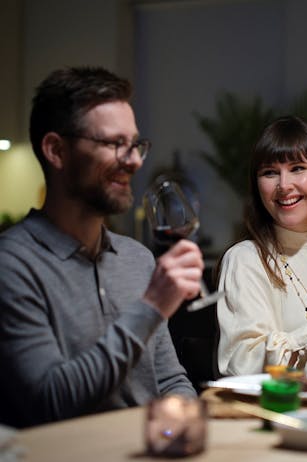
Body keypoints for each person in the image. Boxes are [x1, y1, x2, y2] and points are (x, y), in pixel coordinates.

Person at [0, 66, 204, 428]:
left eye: (136, 144)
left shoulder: (137, 258)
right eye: (114, 144)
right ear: (56, 150)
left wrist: (190, 432)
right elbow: (50, 401)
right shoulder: (12, 264)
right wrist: (152, 306)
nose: (135, 160)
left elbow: (170, 381)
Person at [217, 115, 307, 377]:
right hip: (282, 414)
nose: (284, 186)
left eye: (297, 168)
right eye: (270, 173)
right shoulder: (245, 259)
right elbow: (243, 366)